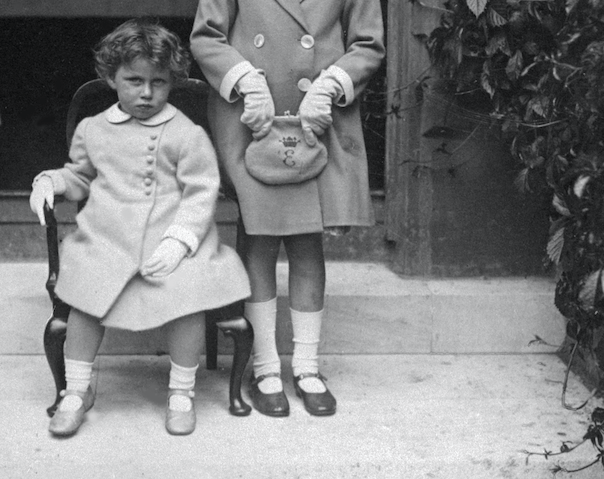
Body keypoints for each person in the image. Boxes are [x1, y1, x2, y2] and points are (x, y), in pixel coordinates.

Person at [29, 18, 250, 437]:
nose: (146, 93)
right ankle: (76, 391)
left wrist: (179, 242)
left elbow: (202, 192)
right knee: (85, 294)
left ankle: (181, 392)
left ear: (172, 83)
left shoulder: (186, 133)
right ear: (111, 77)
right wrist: (51, 181)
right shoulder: (93, 129)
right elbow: (79, 177)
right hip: (108, 236)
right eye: (133, 81)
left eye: (159, 83)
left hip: (174, 238)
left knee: (186, 294)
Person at [190, 1, 385, 417]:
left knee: (306, 241)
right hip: (253, 117)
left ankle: (307, 367)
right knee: (259, 239)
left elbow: (368, 44)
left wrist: (333, 83)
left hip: (318, 118)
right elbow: (207, 36)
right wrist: (245, 78)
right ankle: (264, 369)